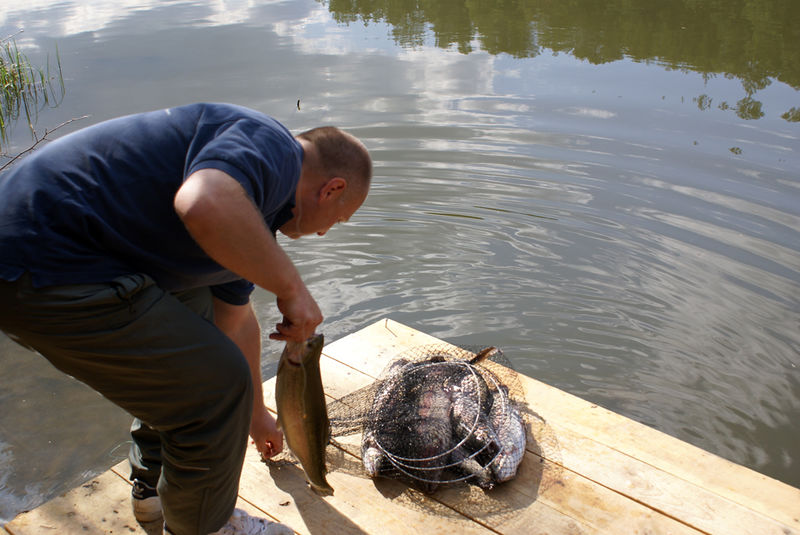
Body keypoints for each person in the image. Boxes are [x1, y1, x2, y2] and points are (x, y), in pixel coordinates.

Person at [0, 103, 372, 535]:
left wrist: (255, 414)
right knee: (214, 388)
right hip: (44, 256)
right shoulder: (274, 148)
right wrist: (293, 288)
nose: (326, 232)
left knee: (194, 316)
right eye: (339, 219)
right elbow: (203, 201)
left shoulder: (251, 210)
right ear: (332, 188)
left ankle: (153, 491)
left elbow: (235, 321)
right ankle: (205, 528)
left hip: (45, 255)